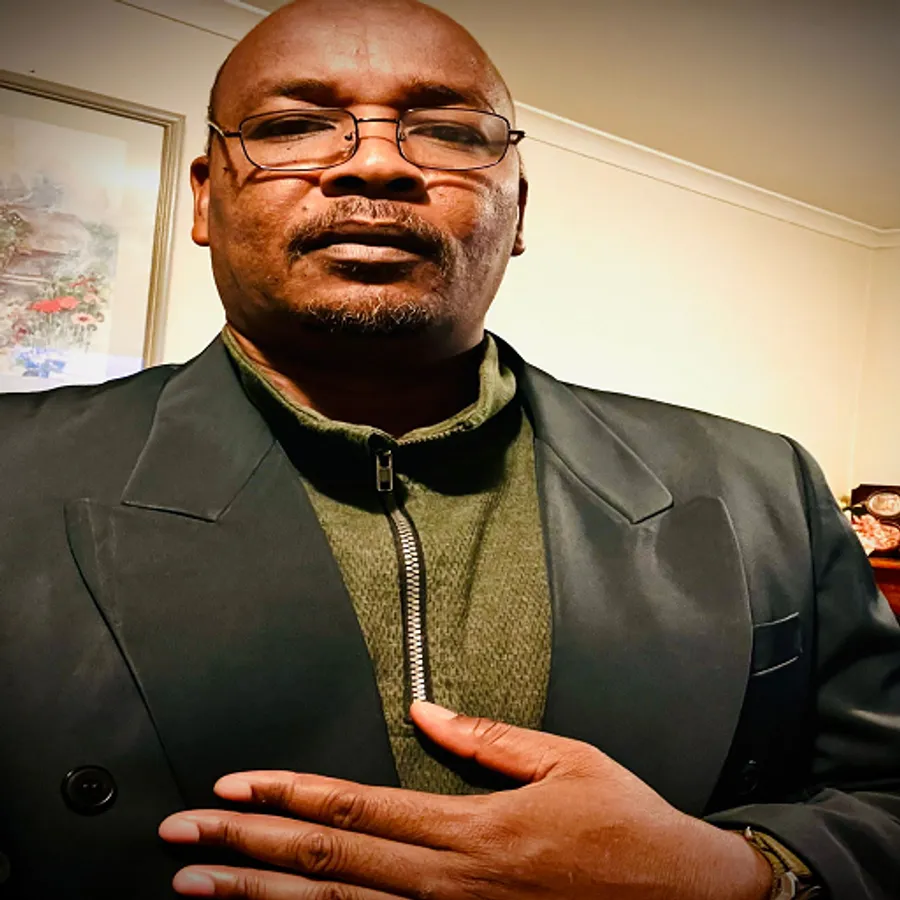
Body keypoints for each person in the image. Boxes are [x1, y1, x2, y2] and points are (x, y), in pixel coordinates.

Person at [0, 0, 898, 897]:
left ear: (517, 211)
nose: (377, 163)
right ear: (206, 197)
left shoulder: (761, 486)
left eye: (449, 132)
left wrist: (748, 876)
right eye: (293, 126)